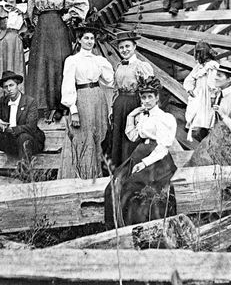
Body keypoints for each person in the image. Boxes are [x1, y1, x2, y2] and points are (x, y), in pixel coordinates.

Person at [104, 76, 178, 228]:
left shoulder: (164, 118)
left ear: (157, 97)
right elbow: (132, 137)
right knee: (115, 184)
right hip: (139, 153)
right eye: (143, 97)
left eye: (150, 97)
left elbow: (163, 148)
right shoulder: (142, 116)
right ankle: (120, 227)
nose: (146, 101)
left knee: (134, 188)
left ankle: (142, 227)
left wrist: (144, 164)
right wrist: (131, 116)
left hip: (157, 159)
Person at [25, 0, 89, 119]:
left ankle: (61, 106)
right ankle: (44, 105)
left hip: (58, 27)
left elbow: (82, 2)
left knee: (59, 62)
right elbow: (30, 12)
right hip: (42, 29)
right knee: (42, 64)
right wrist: (37, 24)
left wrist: (70, 14)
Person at [59, 24, 115, 179]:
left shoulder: (99, 60)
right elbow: (68, 84)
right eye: (86, 38)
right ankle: (83, 175)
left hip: (98, 98)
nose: (90, 41)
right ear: (79, 40)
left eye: (92, 38)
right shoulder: (72, 60)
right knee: (84, 136)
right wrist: (73, 110)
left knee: (99, 135)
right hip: (82, 98)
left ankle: (96, 174)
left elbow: (111, 80)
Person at [0, 70, 45, 184]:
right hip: (11, 143)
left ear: (17, 85)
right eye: (5, 87)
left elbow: (31, 127)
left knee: (23, 136)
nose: (9, 89)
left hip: (30, 142)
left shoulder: (30, 102)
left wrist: (10, 129)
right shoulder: (3, 101)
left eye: (11, 85)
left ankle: (24, 172)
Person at [188, 67, 231, 167]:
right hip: (218, 138)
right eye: (215, 74)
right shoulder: (219, 94)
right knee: (197, 159)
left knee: (204, 160)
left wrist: (223, 115)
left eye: (219, 75)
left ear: (229, 79)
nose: (215, 78)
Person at [107, 30, 154, 167]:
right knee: (118, 138)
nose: (124, 50)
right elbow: (115, 89)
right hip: (119, 104)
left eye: (127, 46)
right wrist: (112, 108)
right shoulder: (119, 66)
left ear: (134, 47)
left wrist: (145, 110)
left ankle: (132, 169)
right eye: (121, 47)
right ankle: (119, 170)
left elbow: (150, 89)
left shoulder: (141, 66)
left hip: (134, 104)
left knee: (131, 139)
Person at [183, 41, 220, 142]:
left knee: (207, 119)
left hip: (207, 95)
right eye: (197, 53)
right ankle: (200, 138)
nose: (198, 55)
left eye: (200, 53)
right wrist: (189, 88)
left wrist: (213, 96)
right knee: (196, 117)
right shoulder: (199, 66)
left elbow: (212, 82)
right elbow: (190, 78)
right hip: (199, 94)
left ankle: (207, 137)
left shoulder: (212, 66)